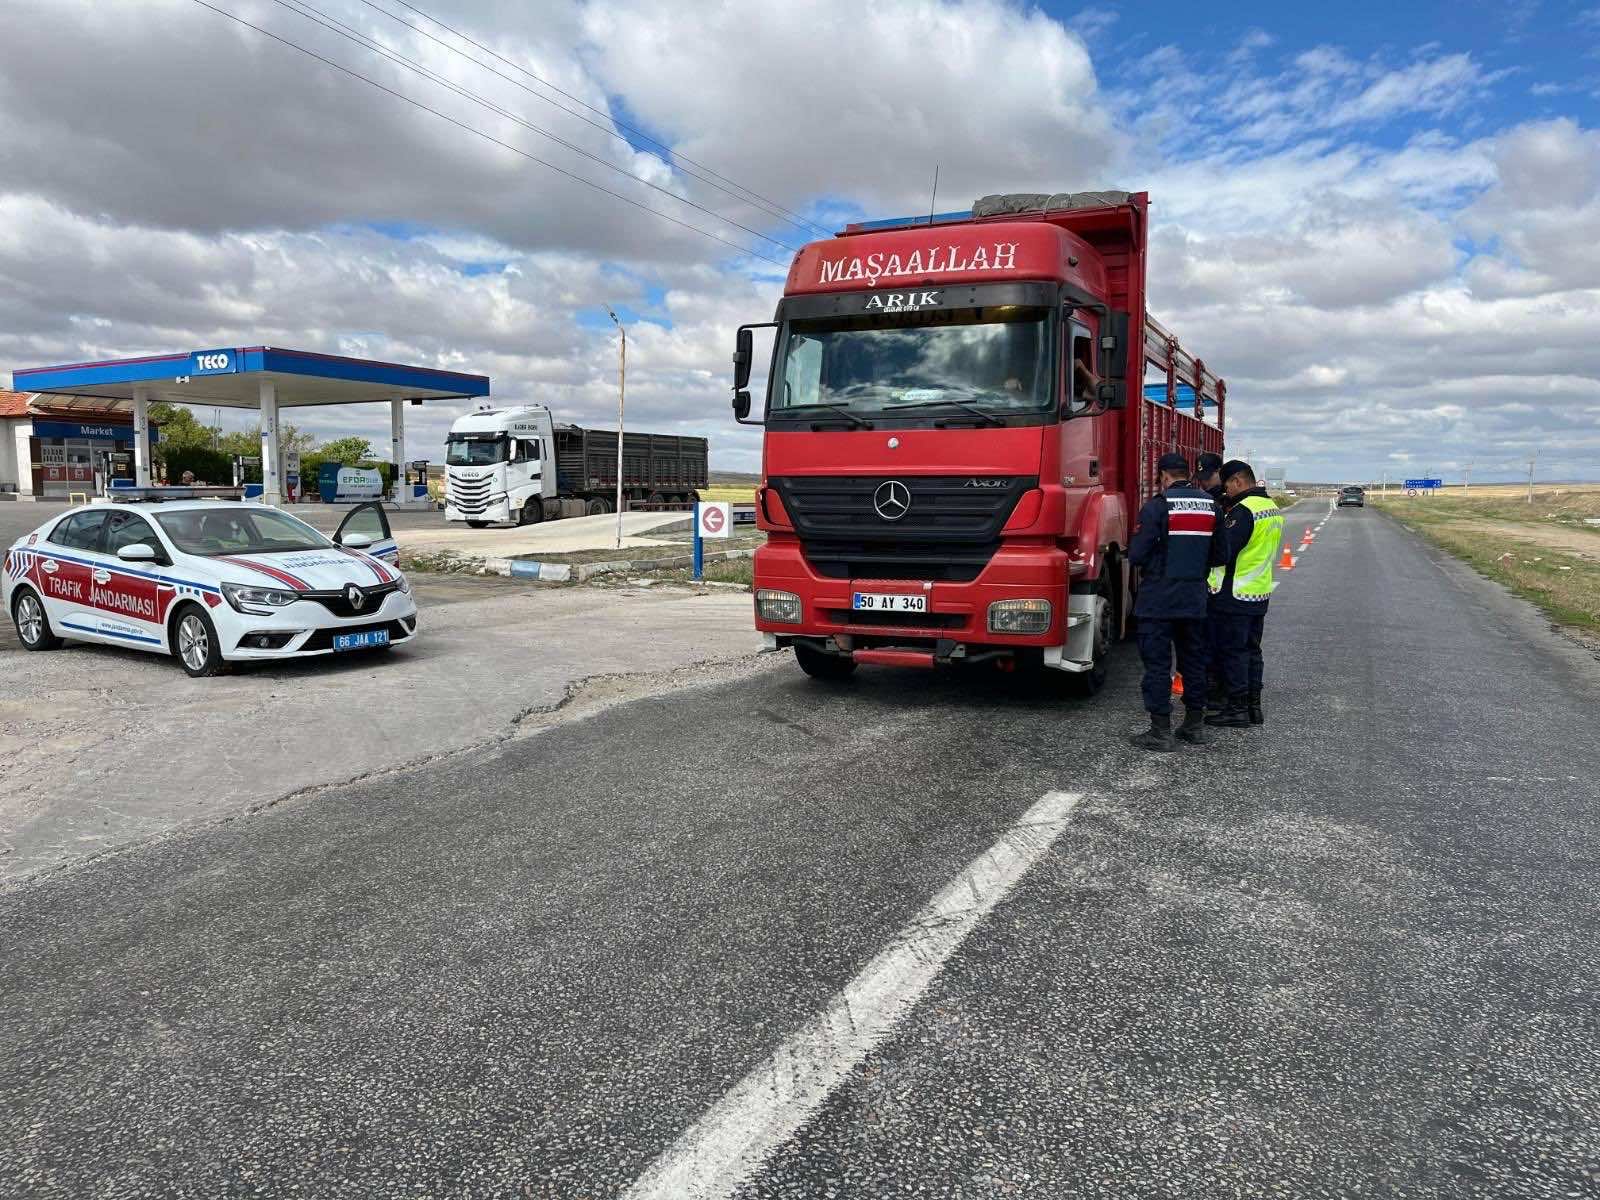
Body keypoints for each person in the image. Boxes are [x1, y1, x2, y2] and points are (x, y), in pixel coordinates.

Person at [1127, 452, 1227, 751]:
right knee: (1194, 662)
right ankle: (1194, 726)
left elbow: (1137, 555)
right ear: (1188, 473)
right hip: (1195, 599)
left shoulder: (1158, 507)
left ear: (1163, 476)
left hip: (1158, 600)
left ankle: (1160, 731)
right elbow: (1222, 555)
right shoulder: (1212, 506)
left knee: (1157, 665)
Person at [1206, 461, 1284, 728]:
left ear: (1238, 481)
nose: (1225, 491)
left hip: (1233, 594)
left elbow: (1223, 552)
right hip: (1258, 592)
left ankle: (1236, 708)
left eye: (1227, 485)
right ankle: (1253, 706)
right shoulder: (1271, 508)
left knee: (1233, 651)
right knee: (1252, 650)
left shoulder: (1243, 512)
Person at [1193, 451, 1228, 704]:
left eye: (1209, 476)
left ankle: (1218, 690)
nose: (1204, 482)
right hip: (1209, 583)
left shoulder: (1226, 504)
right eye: (1201, 477)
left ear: (1221, 473)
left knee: (1217, 641)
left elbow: (1222, 552)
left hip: (1225, 585)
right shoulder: (1206, 500)